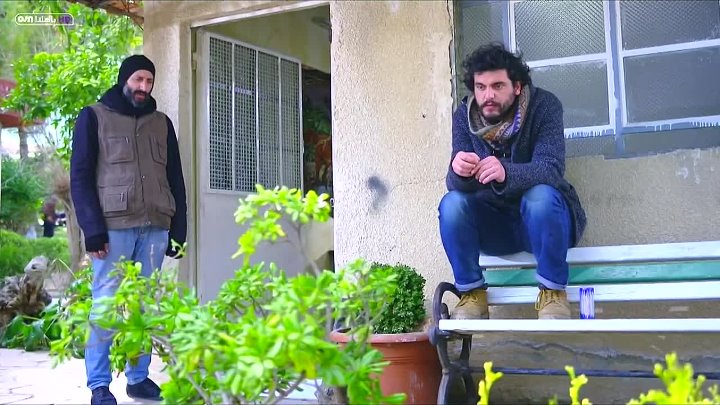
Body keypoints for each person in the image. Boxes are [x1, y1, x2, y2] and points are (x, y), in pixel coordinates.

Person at [438, 43, 586, 321]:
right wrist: (458, 171)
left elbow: (551, 169)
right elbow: (457, 186)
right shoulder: (464, 116)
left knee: (540, 197)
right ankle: (472, 294)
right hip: (495, 227)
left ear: (517, 86)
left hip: (544, 224)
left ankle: (553, 292)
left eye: (497, 86)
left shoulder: (544, 106)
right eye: (480, 87)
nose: (488, 96)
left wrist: (506, 172)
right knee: (451, 204)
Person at [70, 54, 187, 405]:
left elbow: (175, 178)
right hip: (112, 229)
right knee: (105, 307)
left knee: (145, 307)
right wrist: (92, 229)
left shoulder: (161, 123)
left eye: (149, 81)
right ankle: (99, 386)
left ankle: (138, 379)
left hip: (155, 228)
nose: (143, 87)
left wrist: (179, 230)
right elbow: (80, 177)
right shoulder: (94, 116)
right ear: (125, 79)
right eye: (138, 79)